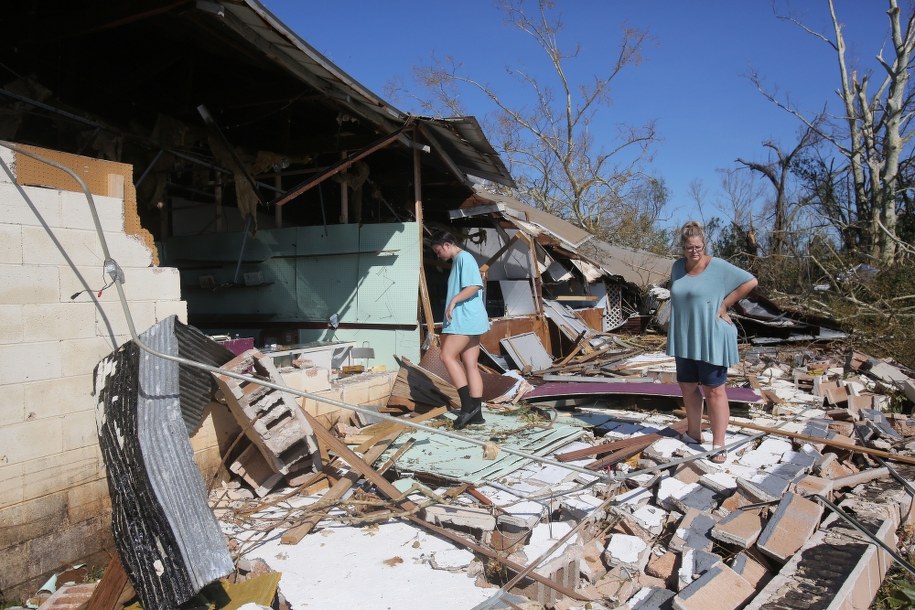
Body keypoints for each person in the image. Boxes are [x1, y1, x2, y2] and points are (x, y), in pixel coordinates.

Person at [667, 221, 758, 463]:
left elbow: (750, 281)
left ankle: (719, 444)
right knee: (687, 385)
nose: (693, 251)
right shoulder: (677, 268)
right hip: (685, 336)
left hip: (711, 335)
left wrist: (725, 304)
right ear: (682, 247)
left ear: (704, 245)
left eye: (698, 247)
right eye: (689, 247)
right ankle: (694, 433)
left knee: (714, 390)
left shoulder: (717, 266)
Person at [429, 231, 491, 429]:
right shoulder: (459, 260)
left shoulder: (464, 257)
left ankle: (467, 407)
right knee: (470, 364)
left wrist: (454, 300)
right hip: (472, 318)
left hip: (465, 318)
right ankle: (477, 413)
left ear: (447, 245)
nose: (438, 255)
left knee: (446, 356)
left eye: (438, 251)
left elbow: (474, 286)